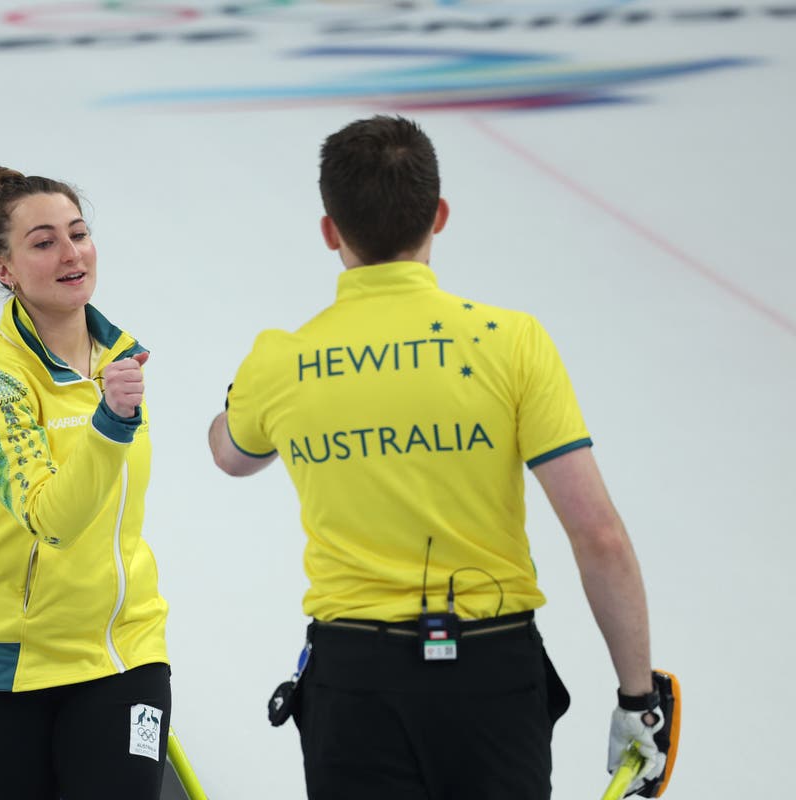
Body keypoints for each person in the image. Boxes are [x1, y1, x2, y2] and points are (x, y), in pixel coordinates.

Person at [206, 116, 665, 799]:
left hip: (353, 681)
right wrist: (638, 699)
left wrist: (250, 391)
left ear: (330, 230)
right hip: (489, 674)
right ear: (439, 215)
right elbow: (598, 534)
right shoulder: (510, 342)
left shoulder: (281, 359)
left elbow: (230, 454)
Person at [0, 166, 170, 800]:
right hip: (4, 667)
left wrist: (110, 412)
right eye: (43, 242)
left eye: (79, 234)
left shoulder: (119, 360)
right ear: (2, 269)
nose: (71, 254)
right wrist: (110, 423)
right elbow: (52, 519)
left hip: (123, 653)